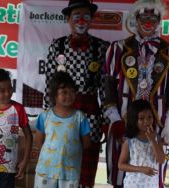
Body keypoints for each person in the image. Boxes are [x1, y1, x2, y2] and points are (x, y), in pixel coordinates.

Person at [103, 0, 169, 187]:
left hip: (155, 120)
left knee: (155, 163)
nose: (148, 22)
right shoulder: (118, 48)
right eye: (144, 18)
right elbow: (108, 85)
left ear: (159, 21)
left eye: (153, 18)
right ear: (135, 20)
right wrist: (115, 119)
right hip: (124, 118)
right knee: (121, 164)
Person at [43, 0, 110, 187]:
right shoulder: (57, 46)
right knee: (61, 160)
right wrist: (48, 116)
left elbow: (105, 89)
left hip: (90, 113)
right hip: (62, 112)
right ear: (68, 19)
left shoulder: (102, 47)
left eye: (86, 16)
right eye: (76, 16)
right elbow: (50, 82)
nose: (81, 21)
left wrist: (106, 120)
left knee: (87, 162)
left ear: (91, 20)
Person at [35, 71, 91, 188]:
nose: (69, 95)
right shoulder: (45, 116)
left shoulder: (80, 117)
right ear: (54, 95)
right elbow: (39, 141)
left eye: (72, 91)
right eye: (64, 92)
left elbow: (86, 143)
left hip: (70, 172)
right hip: (46, 170)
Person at [0, 68, 32, 188]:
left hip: (8, 169)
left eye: (10, 88)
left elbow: (29, 136)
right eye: (2, 90)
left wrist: (24, 161)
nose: (8, 93)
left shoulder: (18, 109)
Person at [118, 100, 165, 188]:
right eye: (141, 118)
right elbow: (121, 165)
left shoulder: (157, 138)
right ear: (134, 120)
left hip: (151, 185)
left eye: (150, 117)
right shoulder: (129, 139)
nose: (146, 121)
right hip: (132, 185)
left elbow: (161, 160)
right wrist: (140, 169)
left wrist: (153, 140)